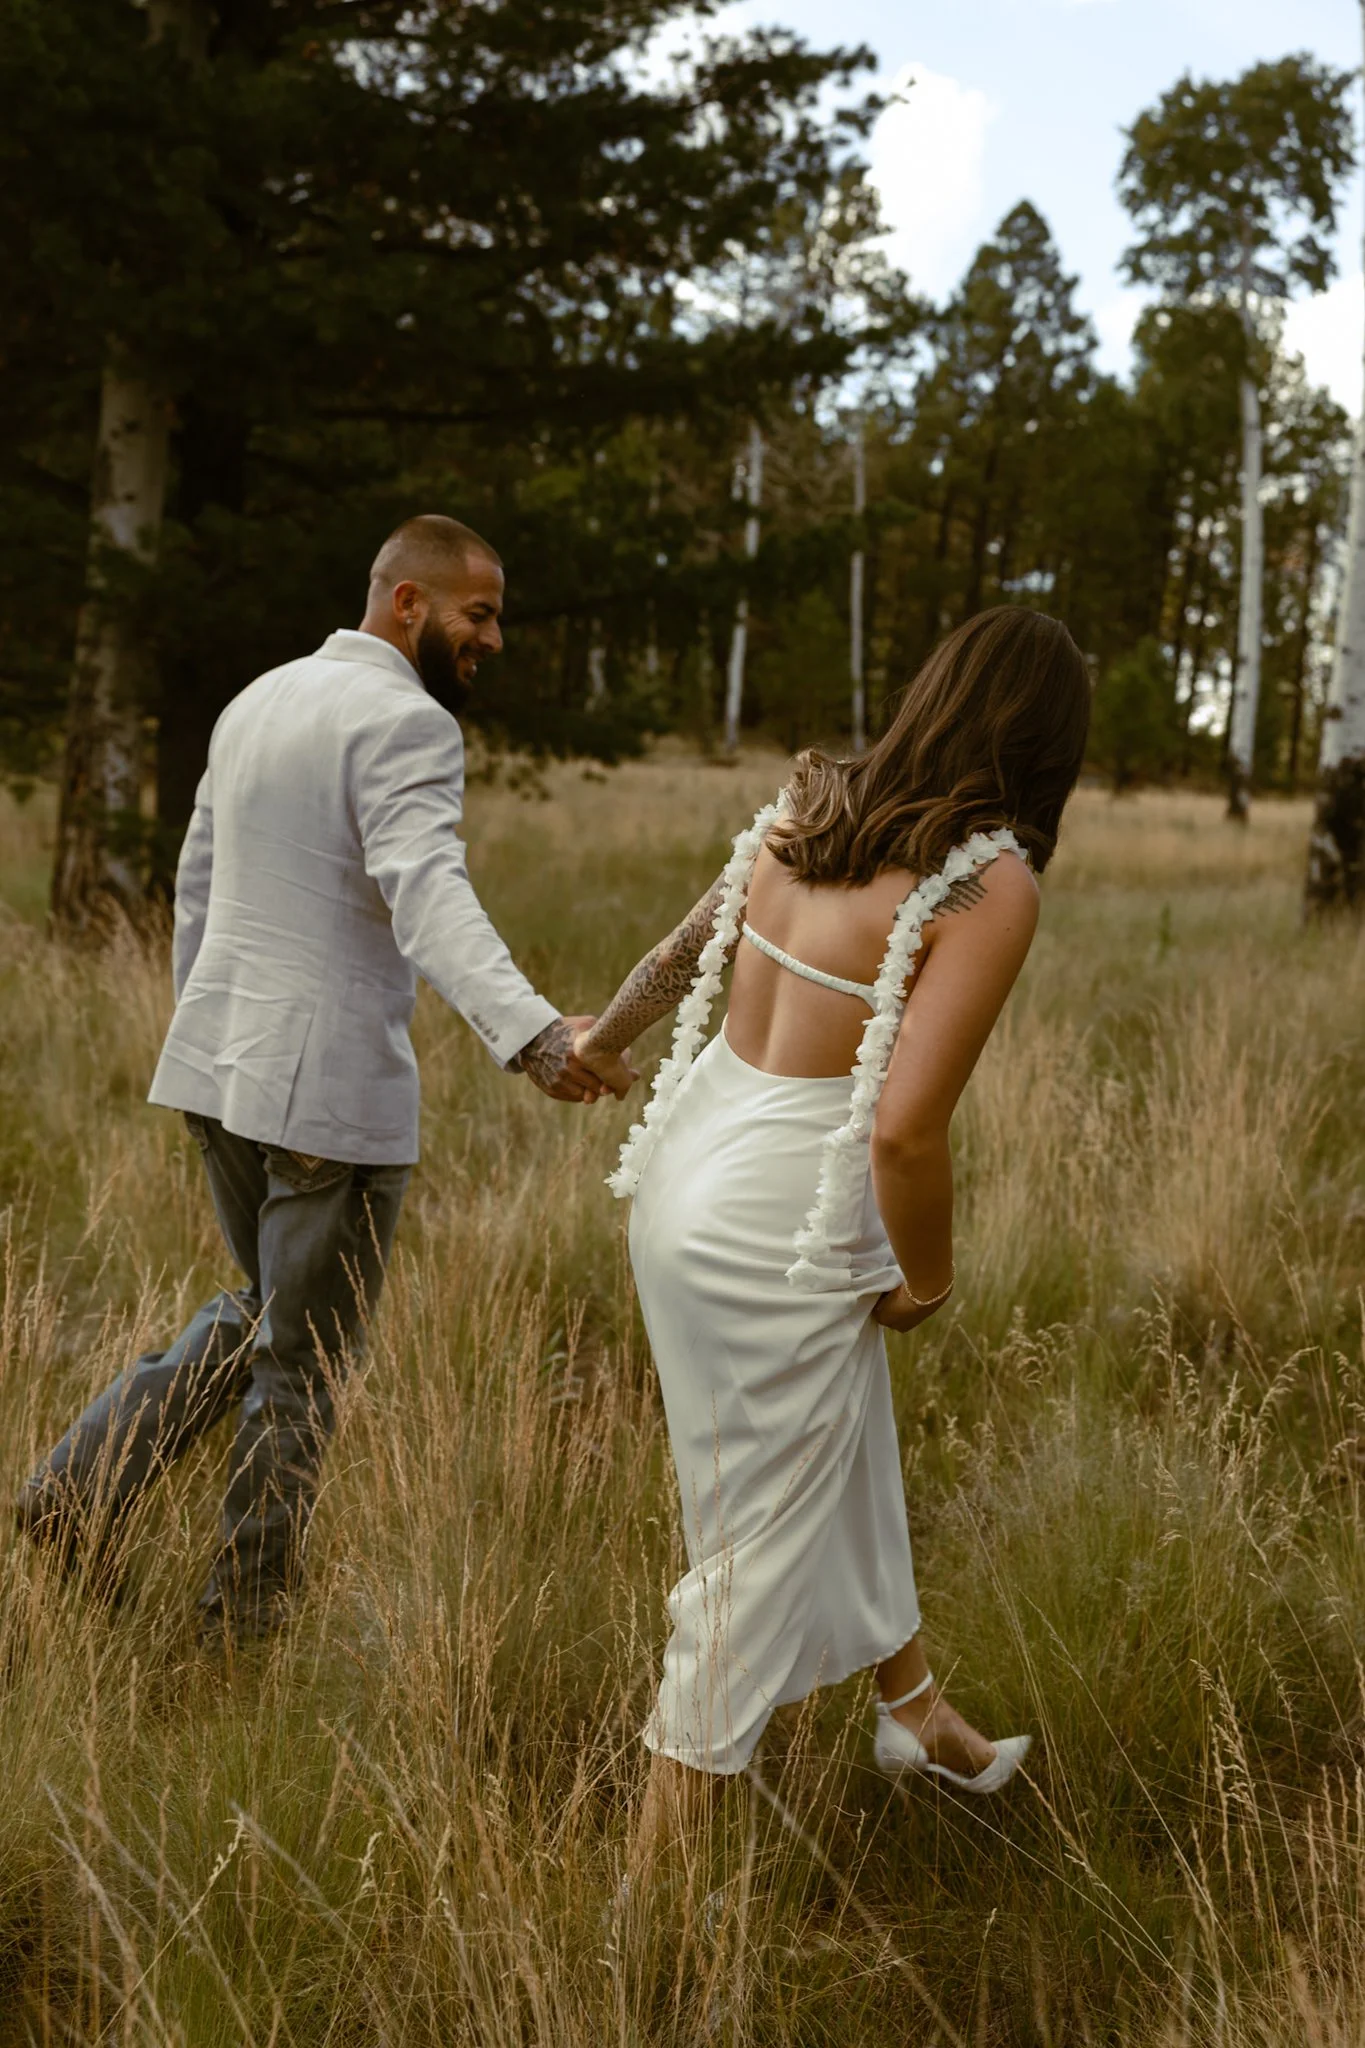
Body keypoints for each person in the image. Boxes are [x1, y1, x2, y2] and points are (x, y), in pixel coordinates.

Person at [18, 514, 621, 1643]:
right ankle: (239, 1633)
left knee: (262, 1318)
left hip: (224, 1074)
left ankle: (76, 1488)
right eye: (477, 613)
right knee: (304, 1368)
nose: (491, 637)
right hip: (325, 1102)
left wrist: (205, 1032)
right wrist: (537, 1037)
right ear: (408, 603)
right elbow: (426, 889)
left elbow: (198, 885)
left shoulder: (261, 698)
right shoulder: (406, 721)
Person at [574, 606, 1091, 1858]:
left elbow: (680, 949)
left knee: (835, 1440)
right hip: (784, 1221)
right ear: (1044, 744)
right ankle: (645, 1915)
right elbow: (905, 1130)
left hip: (690, 1172)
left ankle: (918, 1715)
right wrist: (932, 1277)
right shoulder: (988, 879)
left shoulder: (808, 803)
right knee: (754, 1547)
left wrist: (600, 1040)